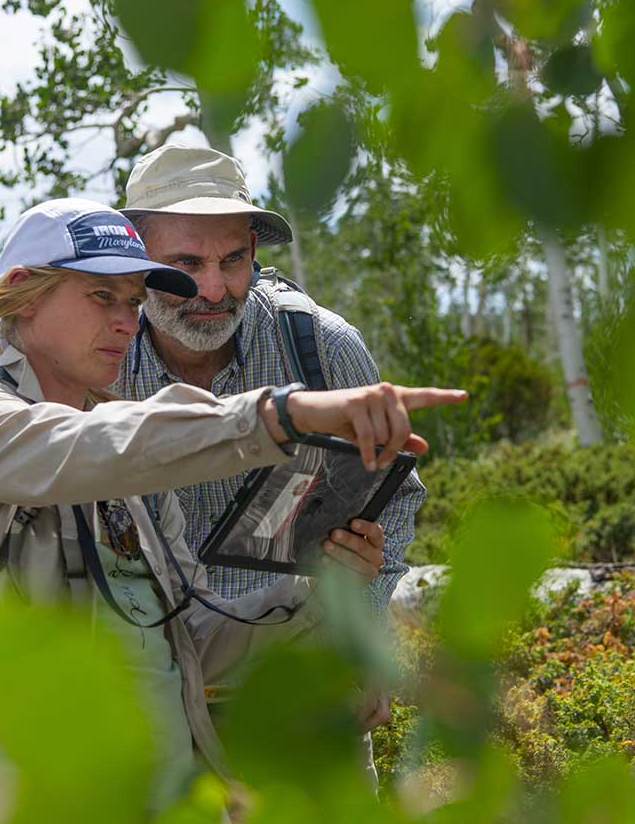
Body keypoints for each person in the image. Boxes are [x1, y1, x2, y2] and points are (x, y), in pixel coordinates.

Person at [0, 197, 467, 824]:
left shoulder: (128, 467)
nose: (125, 323)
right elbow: (90, 447)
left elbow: (189, 635)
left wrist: (321, 593)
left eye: (133, 302)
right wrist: (286, 415)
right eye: (100, 297)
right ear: (23, 293)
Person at [114, 145, 430, 733]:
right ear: (136, 254)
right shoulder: (102, 360)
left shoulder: (320, 346)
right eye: (185, 264)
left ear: (255, 250)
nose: (213, 290)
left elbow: (398, 499)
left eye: (233, 260)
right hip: (157, 702)